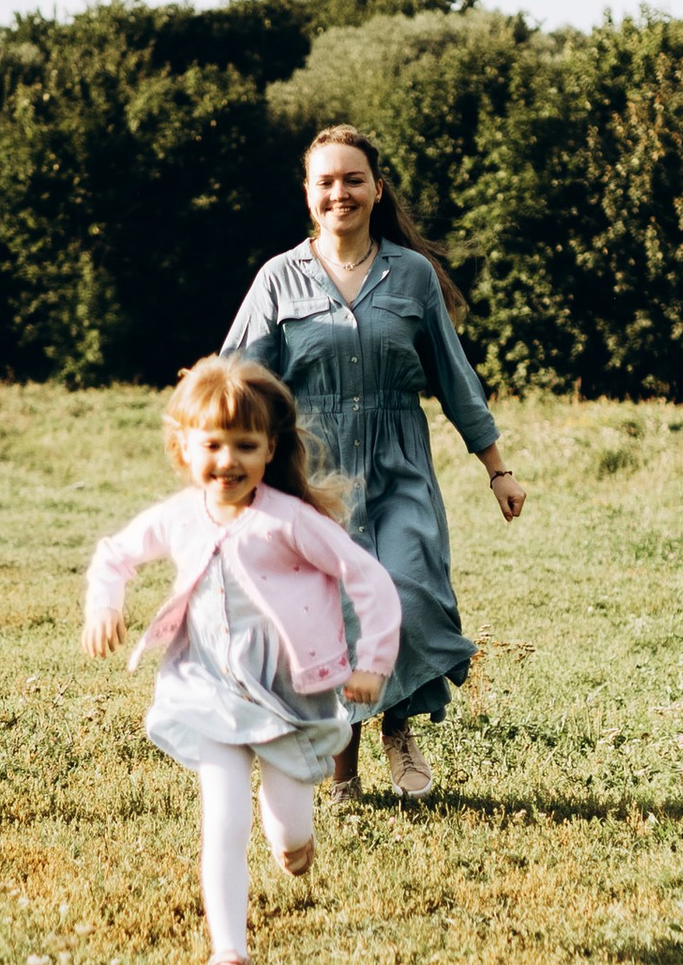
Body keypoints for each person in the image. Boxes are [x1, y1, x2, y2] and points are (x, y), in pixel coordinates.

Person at [84, 355, 402, 965]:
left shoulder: (288, 521)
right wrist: (105, 601)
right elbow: (116, 554)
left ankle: (297, 838)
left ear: (269, 451)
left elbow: (368, 580)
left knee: (286, 827)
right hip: (207, 689)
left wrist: (373, 663)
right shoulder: (180, 514)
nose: (226, 460)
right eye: (213, 445)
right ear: (184, 446)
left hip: (287, 695)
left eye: (244, 447)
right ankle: (228, 957)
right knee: (221, 821)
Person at [222, 124, 525, 801]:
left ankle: (398, 726)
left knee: (410, 595)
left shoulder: (410, 275)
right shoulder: (279, 278)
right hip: (314, 475)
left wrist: (496, 467)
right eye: (326, 181)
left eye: (353, 179)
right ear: (308, 194)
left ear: (376, 189)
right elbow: (235, 377)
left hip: (399, 467)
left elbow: (454, 377)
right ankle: (343, 773)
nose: (340, 193)